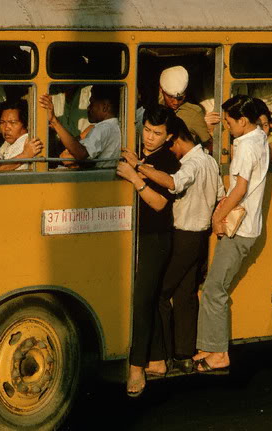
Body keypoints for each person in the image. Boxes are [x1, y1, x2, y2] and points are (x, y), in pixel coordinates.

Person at [133, 115, 225, 374]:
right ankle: (184, 354)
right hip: (200, 237)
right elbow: (220, 195)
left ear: (175, 140)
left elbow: (174, 183)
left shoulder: (191, 164)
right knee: (185, 294)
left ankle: (161, 358)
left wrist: (140, 168)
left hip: (183, 234)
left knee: (160, 294)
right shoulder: (209, 161)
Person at [193, 95, 269, 373]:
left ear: (243, 121)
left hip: (239, 230)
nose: (226, 126)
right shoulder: (260, 137)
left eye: (228, 122)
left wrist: (218, 216)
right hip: (251, 228)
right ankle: (209, 345)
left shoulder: (246, 146)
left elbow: (239, 189)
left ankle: (218, 354)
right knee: (216, 288)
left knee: (214, 290)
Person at [116, 105, 180, 397]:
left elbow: (159, 203)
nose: (150, 137)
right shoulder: (138, 155)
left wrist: (135, 176)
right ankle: (157, 360)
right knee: (149, 298)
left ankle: (136, 368)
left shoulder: (169, 161)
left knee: (142, 300)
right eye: (148, 130)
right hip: (137, 235)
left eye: (157, 133)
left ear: (169, 137)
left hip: (157, 237)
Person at [39, 85, 121, 168]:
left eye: (91, 103)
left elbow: (81, 154)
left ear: (105, 107)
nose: (88, 108)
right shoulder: (115, 126)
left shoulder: (104, 128)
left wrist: (54, 121)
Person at [158, 66, 212, 152]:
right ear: (161, 90)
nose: (175, 102)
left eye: (180, 98)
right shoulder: (156, 109)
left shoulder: (194, 113)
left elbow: (209, 144)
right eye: (170, 97)